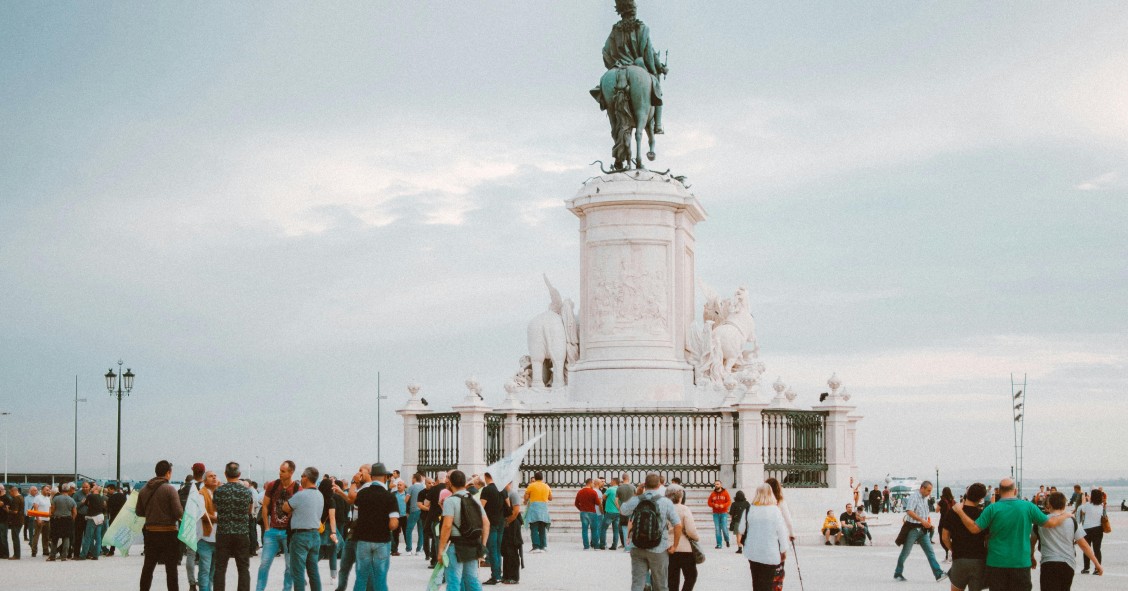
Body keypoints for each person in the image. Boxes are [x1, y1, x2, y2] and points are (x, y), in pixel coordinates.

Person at [951, 477, 1073, 591]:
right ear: (1015, 490)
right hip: (1021, 563)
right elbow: (1050, 523)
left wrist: (959, 511)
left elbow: (974, 528)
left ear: (999, 491)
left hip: (996, 564)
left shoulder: (992, 509)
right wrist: (1066, 515)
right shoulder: (1028, 507)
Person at [620, 473, 682, 591]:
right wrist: (674, 546)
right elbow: (678, 525)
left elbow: (623, 510)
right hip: (658, 547)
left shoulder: (637, 499)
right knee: (660, 585)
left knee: (637, 583)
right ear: (659, 485)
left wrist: (637, 494)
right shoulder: (666, 502)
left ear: (644, 484)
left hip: (637, 545)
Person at [1034, 491, 1102, 590]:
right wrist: (1096, 563)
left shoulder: (1041, 521)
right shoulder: (1071, 521)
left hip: (1048, 563)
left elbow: (1032, 540)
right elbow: (1084, 545)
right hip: (1067, 564)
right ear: (1064, 505)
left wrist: (1031, 555)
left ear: (1049, 504)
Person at [437, 470, 490, 591]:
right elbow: (486, 523)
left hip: (456, 545)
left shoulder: (450, 501)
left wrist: (440, 549)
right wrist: (483, 545)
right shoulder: (475, 499)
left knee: (454, 581)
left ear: (450, 483)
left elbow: (447, 526)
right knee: (472, 579)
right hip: (473, 543)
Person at [137, 461, 185, 590]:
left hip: (151, 532)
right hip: (169, 533)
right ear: (168, 473)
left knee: (148, 567)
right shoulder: (170, 489)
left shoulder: (144, 490)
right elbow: (178, 513)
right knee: (171, 569)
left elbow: (139, 512)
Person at [352, 462, 399, 591]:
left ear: (371, 477)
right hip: (382, 540)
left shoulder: (362, 494)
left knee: (361, 576)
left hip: (363, 540)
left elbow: (355, 514)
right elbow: (393, 523)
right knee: (380, 577)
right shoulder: (389, 497)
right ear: (385, 477)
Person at [737, 483, 789, 591]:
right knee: (768, 583)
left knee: (756, 582)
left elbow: (741, 529)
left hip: (753, 552)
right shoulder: (775, 511)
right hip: (770, 553)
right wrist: (783, 550)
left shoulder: (749, 509)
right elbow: (782, 532)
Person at [281, 466, 325, 591]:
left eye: (302, 476)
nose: (300, 479)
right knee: (313, 571)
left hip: (300, 536)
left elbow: (285, 508)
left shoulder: (300, 495)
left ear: (306, 478)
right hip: (315, 535)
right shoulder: (320, 495)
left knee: (298, 572)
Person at [258, 460, 299, 591]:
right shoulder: (273, 485)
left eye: (283, 471)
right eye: (280, 470)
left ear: (291, 472)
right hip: (273, 531)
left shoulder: (298, 488)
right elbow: (265, 506)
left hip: (289, 533)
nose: (280, 473)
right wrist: (267, 527)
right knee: (264, 564)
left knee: (289, 566)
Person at [893, 480, 946, 582]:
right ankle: (898, 572)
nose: (929, 493)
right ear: (922, 488)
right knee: (906, 552)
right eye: (928, 490)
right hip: (913, 529)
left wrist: (927, 524)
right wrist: (922, 520)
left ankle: (938, 573)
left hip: (922, 530)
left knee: (930, 552)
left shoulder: (924, 498)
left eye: (930, 490)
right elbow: (909, 511)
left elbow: (923, 513)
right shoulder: (914, 497)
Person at [214, 462, 254, 591]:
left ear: (225, 474)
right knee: (243, 568)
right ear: (239, 474)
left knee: (220, 568)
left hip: (223, 533)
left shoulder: (219, 491)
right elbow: (249, 510)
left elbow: (216, 508)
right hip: (241, 533)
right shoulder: (246, 491)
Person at [940, 483, 988, 591]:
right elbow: (988, 539)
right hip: (978, 559)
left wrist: (952, 548)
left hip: (959, 558)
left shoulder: (953, 512)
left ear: (967, 493)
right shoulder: (983, 514)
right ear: (981, 499)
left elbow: (944, 537)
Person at [666, 487, 698, 591]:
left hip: (669, 546)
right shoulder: (684, 509)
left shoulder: (664, 508)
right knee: (691, 575)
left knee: (672, 578)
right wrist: (696, 537)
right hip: (684, 547)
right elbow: (690, 529)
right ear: (680, 497)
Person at [479, 472, 505, 584]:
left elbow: (480, 507)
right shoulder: (502, 489)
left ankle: (495, 575)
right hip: (501, 521)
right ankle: (498, 573)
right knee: (498, 549)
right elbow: (507, 504)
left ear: (486, 477)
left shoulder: (487, 490)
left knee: (492, 550)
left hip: (490, 523)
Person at [1078, 489, 1106, 574]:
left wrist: (1084, 499)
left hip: (1087, 529)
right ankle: (1097, 568)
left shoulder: (1087, 505)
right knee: (1097, 549)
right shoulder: (1101, 506)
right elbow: (1104, 516)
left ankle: (1086, 568)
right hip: (1098, 529)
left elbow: (1082, 511)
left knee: (1087, 548)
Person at [500, 481, 523, 584]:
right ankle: (506, 574)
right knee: (506, 550)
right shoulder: (503, 493)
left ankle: (513, 576)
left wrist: (507, 521)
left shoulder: (513, 494)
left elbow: (516, 511)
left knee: (512, 550)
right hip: (506, 525)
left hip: (512, 525)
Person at [524, 471, 552, 554]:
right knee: (542, 528)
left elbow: (526, 497)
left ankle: (535, 546)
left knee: (534, 528)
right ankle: (543, 546)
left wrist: (526, 499)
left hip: (534, 509)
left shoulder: (531, 486)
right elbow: (550, 498)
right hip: (543, 509)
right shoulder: (547, 486)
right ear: (542, 478)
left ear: (535, 478)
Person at [48, 483, 78, 561]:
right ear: (68, 490)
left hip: (57, 519)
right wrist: (72, 519)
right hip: (67, 520)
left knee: (55, 538)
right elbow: (74, 512)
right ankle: (64, 556)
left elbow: (52, 509)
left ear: (61, 489)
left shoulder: (56, 499)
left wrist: (52, 515)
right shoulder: (72, 500)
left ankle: (52, 556)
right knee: (66, 538)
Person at [78, 482, 106, 560]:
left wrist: (87, 504)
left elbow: (85, 503)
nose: (91, 488)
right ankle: (96, 555)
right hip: (100, 517)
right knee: (98, 537)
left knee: (88, 537)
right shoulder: (101, 497)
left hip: (92, 518)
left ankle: (83, 555)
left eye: (93, 487)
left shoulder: (90, 496)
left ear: (96, 489)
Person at [575, 478, 601, 550]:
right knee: (594, 530)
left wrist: (581, 509)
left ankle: (586, 546)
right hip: (592, 512)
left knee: (584, 530)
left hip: (583, 512)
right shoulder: (593, 492)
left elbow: (576, 503)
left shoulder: (580, 492)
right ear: (590, 483)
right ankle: (596, 546)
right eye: (593, 483)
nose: (594, 484)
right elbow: (598, 503)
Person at [404, 473, 426, 556]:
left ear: (414, 479)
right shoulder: (423, 487)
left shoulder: (411, 487)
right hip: (422, 510)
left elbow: (406, 500)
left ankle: (409, 549)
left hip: (414, 510)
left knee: (409, 529)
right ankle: (419, 549)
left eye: (412, 478)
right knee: (421, 530)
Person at [707, 479, 731, 549]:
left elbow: (729, 501)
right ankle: (719, 544)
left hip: (723, 513)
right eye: (715, 484)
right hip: (716, 513)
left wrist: (723, 505)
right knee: (717, 529)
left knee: (724, 528)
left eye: (717, 484)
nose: (716, 485)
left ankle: (727, 540)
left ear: (721, 485)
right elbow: (709, 502)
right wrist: (714, 505)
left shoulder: (725, 492)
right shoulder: (713, 494)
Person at [4, 484, 24, 560]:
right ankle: (17, 554)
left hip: (16, 521)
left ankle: (16, 555)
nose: (10, 494)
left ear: (13, 491)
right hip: (20, 520)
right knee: (16, 537)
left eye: (10, 492)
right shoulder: (21, 497)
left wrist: (8, 510)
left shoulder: (16, 499)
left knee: (15, 538)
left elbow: (15, 511)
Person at [31, 485, 52, 557]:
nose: (48, 491)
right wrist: (38, 519)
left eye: (49, 490)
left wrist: (49, 516)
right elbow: (35, 508)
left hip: (47, 520)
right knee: (36, 536)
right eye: (46, 490)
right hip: (39, 519)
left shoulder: (48, 498)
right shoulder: (37, 498)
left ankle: (45, 550)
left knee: (46, 536)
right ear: (42, 490)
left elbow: (49, 508)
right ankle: (34, 551)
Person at [616, 473, 634, 550]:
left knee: (624, 528)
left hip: (623, 510)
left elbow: (616, 500)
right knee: (632, 527)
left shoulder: (619, 488)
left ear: (622, 478)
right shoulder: (633, 487)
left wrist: (619, 509)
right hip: (632, 510)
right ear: (628, 478)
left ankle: (626, 547)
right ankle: (631, 546)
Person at [602, 477, 621, 550]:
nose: (610, 482)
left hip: (610, 512)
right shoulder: (620, 490)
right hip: (618, 512)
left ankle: (602, 545)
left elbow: (603, 497)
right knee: (616, 530)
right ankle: (614, 546)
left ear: (614, 481)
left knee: (603, 528)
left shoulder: (610, 489)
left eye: (611, 481)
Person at [938, 486, 956, 562]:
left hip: (943, 521)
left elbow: (936, 510)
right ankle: (952, 553)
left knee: (943, 538)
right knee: (952, 537)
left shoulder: (942, 501)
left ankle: (947, 553)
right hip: (953, 521)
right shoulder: (953, 501)